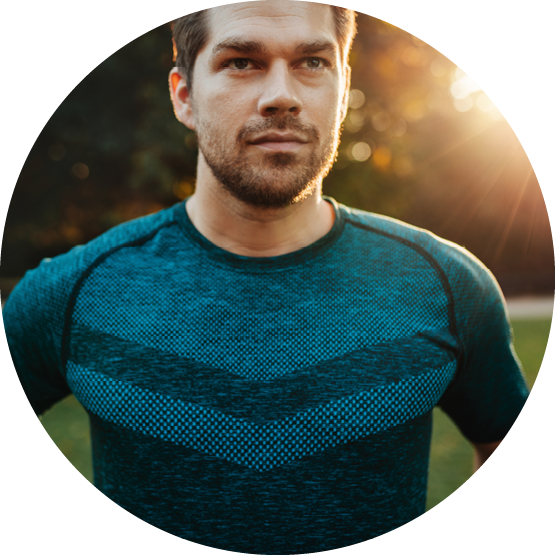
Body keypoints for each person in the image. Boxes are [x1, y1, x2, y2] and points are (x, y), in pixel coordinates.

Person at [3, 1, 529, 554]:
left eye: (313, 63)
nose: (283, 94)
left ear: (342, 85)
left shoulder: (448, 285)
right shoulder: (70, 292)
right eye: (241, 62)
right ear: (184, 96)